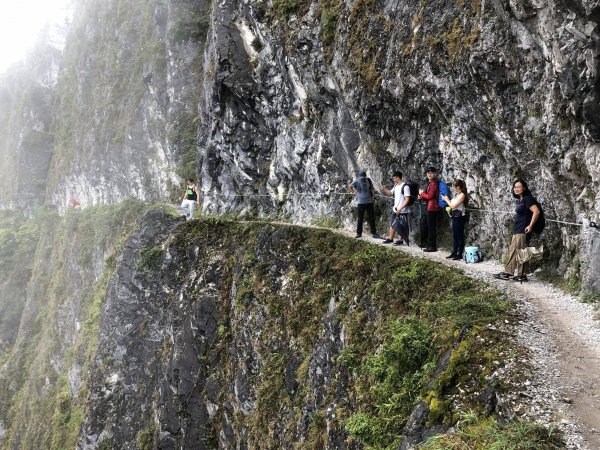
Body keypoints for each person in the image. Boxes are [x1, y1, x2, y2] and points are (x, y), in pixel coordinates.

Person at [493, 178, 541, 282]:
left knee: (515, 250)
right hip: (519, 229)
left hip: (523, 229)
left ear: (524, 188)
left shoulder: (528, 199)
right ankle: (522, 275)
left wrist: (530, 226)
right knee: (522, 252)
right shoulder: (522, 200)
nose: (516, 189)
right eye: (515, 187)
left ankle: (507, 273)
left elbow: (536, 212)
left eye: (519, 187)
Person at [380, 171, 412, 245]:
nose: (393, 179)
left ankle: (400, 240)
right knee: (392, 224)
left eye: (394, 178)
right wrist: (384, 189)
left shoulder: (405, 186)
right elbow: (390, 194)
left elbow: (407, 200)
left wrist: (400, 209)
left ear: (398, 177)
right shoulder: (396, 186)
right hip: (395, 209)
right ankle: (390, 238)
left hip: (402, 210)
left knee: (401, 225)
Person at [442, 179, 468, 260]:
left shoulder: (462, 195)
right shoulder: (457, 194)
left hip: (460, 217)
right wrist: (448, 201)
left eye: (454, 186)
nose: (453, 188)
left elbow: (453, 206)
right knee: (455, 236)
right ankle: (454, 252)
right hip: (455, 216)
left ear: (458, 187)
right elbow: (452, 205)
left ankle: (459, 254)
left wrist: (446, 200)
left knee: (459, 236)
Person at [348, 170, 379, 239]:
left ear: (365, 176)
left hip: (369, 202)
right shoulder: (356, 181)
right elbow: (349, 187)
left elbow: (372, 188)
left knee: (372, 218)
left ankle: (374, 233)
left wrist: (373, 195)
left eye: (363, 177)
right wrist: (354, 192)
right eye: (361, 177)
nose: (362, 178)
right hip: (361, 203)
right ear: (359, 177)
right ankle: (359, 233)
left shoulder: (368, 180)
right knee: (360, 219)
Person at [418, 166, 441, 252]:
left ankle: (432, 246)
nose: (429, 175)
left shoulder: (434, 183)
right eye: (428, 173)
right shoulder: (430, 183)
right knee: (427, 226)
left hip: (432, 208)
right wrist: (422, 196)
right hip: (429, 207)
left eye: (431, 173)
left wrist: (421, 193)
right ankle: (428, 244)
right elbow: (427, 196)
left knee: (431, 227)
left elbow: (430, 196)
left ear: (435, 173)